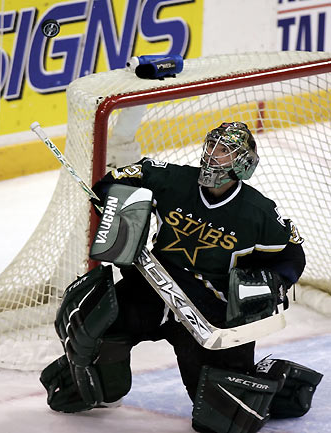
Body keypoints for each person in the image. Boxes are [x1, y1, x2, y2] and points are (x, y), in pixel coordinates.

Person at [40, 122, 322, 433]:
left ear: (243, 163)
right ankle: (92, 386)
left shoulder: (257, 212)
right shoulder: (175, 180)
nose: (213, 155)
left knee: (224, 417)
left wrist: (273, 283)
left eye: (224, 151)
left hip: (207, 310)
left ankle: (280, 382)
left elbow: (292, 255)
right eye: (211, 146)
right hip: (150, 289)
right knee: (91, 323)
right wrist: (116, 203)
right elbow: (123, 177)